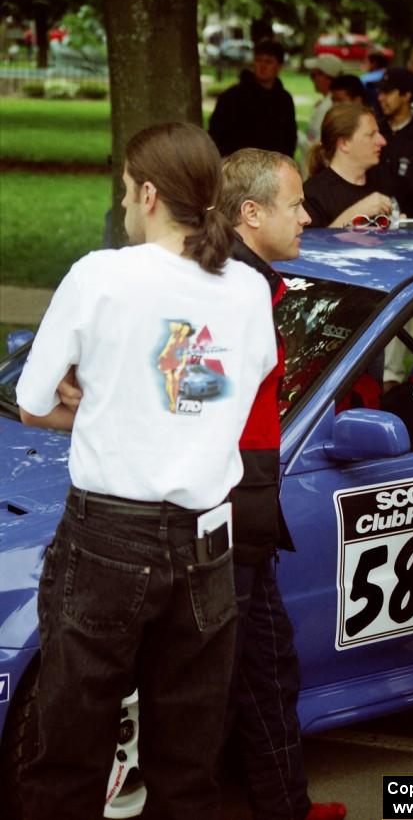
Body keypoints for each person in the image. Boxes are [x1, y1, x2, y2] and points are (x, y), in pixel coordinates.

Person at [16, 122, 277, 820]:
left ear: (150, 193)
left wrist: (98, 397)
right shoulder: (247, 290)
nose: (125, 206)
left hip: (109, 532)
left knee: (70, 747)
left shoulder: (102, 274)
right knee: (188, 763)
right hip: (207, 539)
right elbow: (219, 401)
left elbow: (34, 401)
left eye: (128, 192)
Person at [220, 147, 347, 820]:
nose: (306, 215)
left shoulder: (254, 283)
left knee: (267, 668)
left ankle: (285, 806)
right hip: (227, 507)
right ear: (250, 213)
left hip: (251, 510)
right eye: (295, 204)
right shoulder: (231, 291)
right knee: (216, 676)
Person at [303, 102, 393, 227]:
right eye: (371, 135)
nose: (382, 141)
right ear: (344, 143)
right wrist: (356, 213)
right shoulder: (312, 194)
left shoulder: (381, 179)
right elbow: (311, 245)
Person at [209, 38, 297, 158]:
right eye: (259, 60)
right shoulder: (232, 97)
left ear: (279, 66)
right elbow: (216, 135)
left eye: (269, 62)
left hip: (274, 168)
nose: (263, 66)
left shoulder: (284, 100)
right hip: (239, 166)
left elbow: (289, 139)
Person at [376, 67, 413, 217]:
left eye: (387, 93)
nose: (380, 98)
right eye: (380, 92)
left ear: (407, 95)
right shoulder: (374, 131)